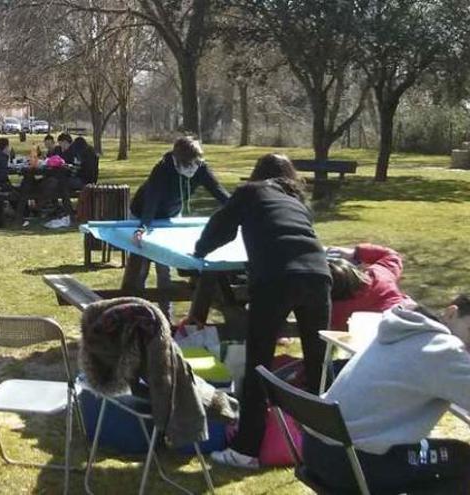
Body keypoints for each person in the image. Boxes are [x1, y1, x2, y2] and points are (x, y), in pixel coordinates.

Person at [193, 153, 332, 469]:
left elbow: (221, 228)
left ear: (257, 174)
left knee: (260, 364)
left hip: (276, 277)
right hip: (319, 276)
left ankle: (246, 450)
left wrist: (199, 251)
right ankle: (326, 447)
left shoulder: (250, 192)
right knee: (318, 366)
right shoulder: (296, 201)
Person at [304, 297, 470, 493]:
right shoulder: (443, 349)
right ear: (451, 313)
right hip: (352, 464)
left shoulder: (403, 330)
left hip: (318, 450)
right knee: (463, 461)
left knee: (456, 454)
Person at [122, 136, 230, 318]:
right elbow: (151, 201)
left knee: (164, 268)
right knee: (141, 268)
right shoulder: (162, 169)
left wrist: (242, 209)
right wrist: (142, 228)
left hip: (170, 216)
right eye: (188, 164)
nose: (192, 167)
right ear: (178, 160)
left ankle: (165, 317)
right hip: (143, 213)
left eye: (195, 162)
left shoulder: (201, 168)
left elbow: (219, 192)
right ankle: (133, 313)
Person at [326, 243, 415, 330]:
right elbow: (391, 255)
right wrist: (355, 253)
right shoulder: (381, 275)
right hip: (415, 321)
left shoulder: (332, 312)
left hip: (377, 340)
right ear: (354, 270)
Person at [42, 136, 100, 229]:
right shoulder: (86, 152)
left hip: (84, 181)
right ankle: (63, 208)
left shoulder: (88, 155)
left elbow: (84, 171)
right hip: (84, 179)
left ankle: (66, 210)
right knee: (60, 183)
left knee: (61, 183)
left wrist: (73, 169)